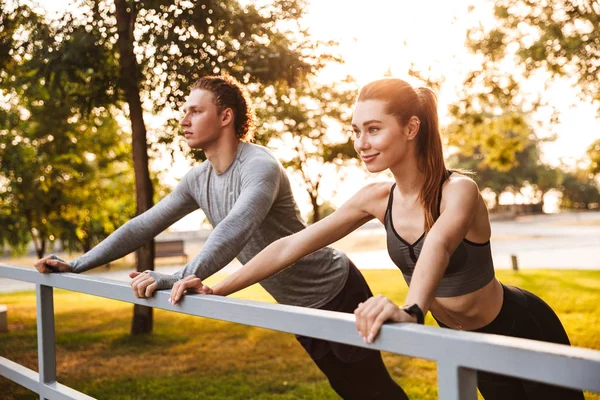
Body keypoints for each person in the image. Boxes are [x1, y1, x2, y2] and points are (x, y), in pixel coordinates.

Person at [175, 78, 584, 400]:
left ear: (411, 128)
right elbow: (291, 245)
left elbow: (438, 245)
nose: (361, 143)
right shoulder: (375, 198)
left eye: (373, 129)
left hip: (520, 326)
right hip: (471, 341)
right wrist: (215, 287)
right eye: (356, 130)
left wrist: (411, 310)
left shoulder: (459, 190)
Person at [34, 75, 406, 399]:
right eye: (185, 111)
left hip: (336, 289)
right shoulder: (199, 179)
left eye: (196, 111)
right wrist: (77, 264)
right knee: (346, 387)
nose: (184, 120)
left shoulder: (260, 166)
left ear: (226, 116)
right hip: (296, 303)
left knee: (371, 388)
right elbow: (143, 225)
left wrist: (181, 277)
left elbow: (236, 226)